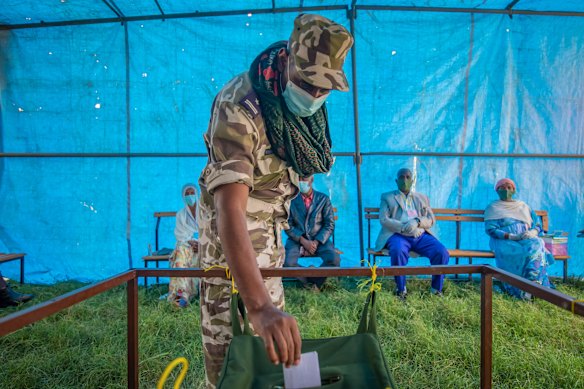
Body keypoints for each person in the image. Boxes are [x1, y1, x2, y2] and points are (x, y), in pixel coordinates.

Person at [197, 14, 353, 387]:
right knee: (228, 354)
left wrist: (267, 308)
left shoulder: (300, 108)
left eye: (324, 88)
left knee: (274, 352)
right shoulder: (239, 105)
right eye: (306, 82)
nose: (315, 95)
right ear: (285, 60)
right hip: (228, 241)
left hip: (269, 237)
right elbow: (229, 209)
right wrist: (259, 306)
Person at [374, 168, 450, 300]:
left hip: (420, 234)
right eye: (402, 177)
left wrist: (417, 221)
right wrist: (404, 228)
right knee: (397, 251)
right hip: (397, 234)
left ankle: (436, 289)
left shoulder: (422, 198)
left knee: (441, 252)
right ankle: (401, 289)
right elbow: (384, 219)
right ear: (396, 181)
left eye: (408, 177)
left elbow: (431, 219)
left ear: (412, 180)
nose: (405, 180)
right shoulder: (387, 197)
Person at [484, 178, 555, 300]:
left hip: (525, 237)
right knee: (515, 252)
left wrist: (533, 232)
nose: (506, 190)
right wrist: (510, 236)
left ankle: (533, 283)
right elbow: (491, 229)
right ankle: (517, 288)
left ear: (514, 190)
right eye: (502, 187)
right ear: (497, 190)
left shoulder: (523, 206)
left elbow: (537, 224)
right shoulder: (493, 207)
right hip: (504, 240)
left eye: (509, 187)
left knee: (537, 243)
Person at [284, 175, 340, 290]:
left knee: (334, 259)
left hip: (319, 239)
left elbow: (329, 224)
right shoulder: (291, 200)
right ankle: (313, 283)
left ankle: (311, 283)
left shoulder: (323, 199)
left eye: (304, 179)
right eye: (298, 179)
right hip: (297, 239)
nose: (301, 182)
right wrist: (303, 241)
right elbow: (287, 225)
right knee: (287, 262)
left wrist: (316, 242)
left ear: (312, 180)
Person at [167, 183, 200, 308]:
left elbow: (209, 231)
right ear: (183, 197)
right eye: (187, 194)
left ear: (197, 194)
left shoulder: (204, 211)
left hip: (203, 245)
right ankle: (181, 295)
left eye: (192, 193)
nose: (190, 196)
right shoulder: (181, 214)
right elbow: (180, 235)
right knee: (180, 252)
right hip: (187, 245)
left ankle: (194, 292)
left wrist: (200, 244)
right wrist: (190, 241)